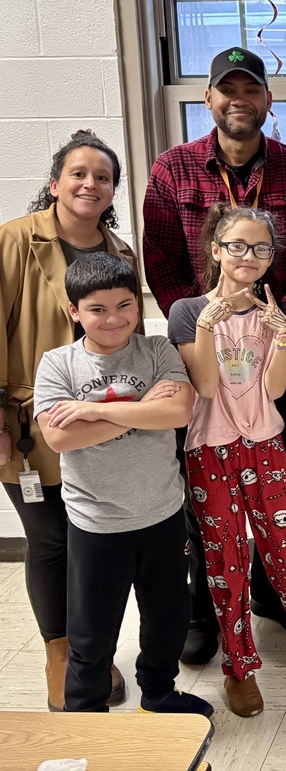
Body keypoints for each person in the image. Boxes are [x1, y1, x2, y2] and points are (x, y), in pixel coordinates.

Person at [143, 45, 286, 663]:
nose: (239, 100)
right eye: (228, 90)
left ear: (267, 100)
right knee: (208, 506)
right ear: (209, 99)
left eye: (251, 89)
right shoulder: (172, 169)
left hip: (273, 340)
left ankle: (276, 596)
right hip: (201, 345)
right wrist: (203, 316)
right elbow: (161, 259)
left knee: (277, 498)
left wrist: (274, 316)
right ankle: (207, 610)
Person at [167, 204, 286, 717]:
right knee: (225, 560)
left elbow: (275, 389)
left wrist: (284, 336)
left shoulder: (274, 313)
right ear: (216, 250)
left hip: (266, 445)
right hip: (209, 449)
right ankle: (238, 666)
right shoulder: (187, 311)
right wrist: (207, 327)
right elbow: (205, 385)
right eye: (237, 245)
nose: (249, 256)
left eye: (261, 248)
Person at [32, 252, 210, 716]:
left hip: (162, 515)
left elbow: (178, 411)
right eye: (97, 309)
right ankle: (86, 714)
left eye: (124, 305)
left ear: (138, 303)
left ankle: (159, 693)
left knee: (167, 619)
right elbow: (59, 438)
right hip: (97, 524)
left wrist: (93, 410)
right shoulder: (58, 364)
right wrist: (142, 407)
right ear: (74, 311)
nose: (113, 319)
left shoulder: (157, 350)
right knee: (91, 633)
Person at [0, 130, 134, 711]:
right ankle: (61, 656)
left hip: (100, 422)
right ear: (55, 183)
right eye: (78, 174)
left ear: (113, 191)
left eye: (102, 177)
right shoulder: (14, 241)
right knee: (51, 539)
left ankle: (92, 651)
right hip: (28, 424)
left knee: (91, 541)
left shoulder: (121, 255)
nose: (89, 184)